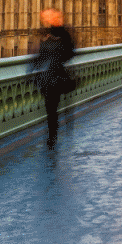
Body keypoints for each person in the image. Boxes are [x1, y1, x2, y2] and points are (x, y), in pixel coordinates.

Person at [31, 8, 76, 148]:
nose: (45, 20)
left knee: (52, 107)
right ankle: (52, 135)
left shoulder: (64, 33)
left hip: (57, 75)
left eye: (48, 17)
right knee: (50, 108)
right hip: (46, 76)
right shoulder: (44, 33)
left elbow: (70, 52)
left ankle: (52, 138)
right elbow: (38, 54)